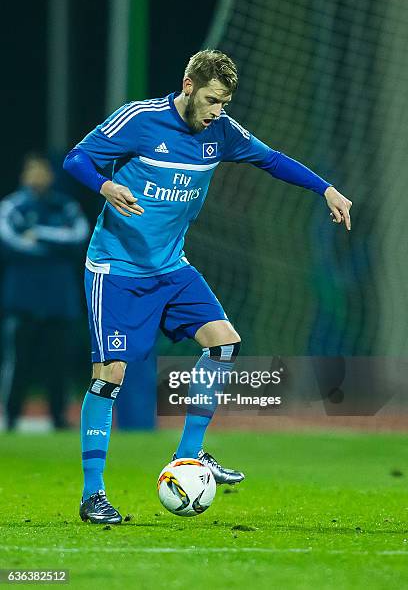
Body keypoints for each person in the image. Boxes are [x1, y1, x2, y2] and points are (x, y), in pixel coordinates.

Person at [63, 49, 352, 524]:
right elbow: (77, 160)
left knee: (223, 343)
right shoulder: (140, 119)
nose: (218, 111)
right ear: (189, 85)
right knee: (109, 375)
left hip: (171, 269)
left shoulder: (220, 133)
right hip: (116, 270)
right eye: (213, 100)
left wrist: (326, 189)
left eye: (225, 103)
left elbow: (272, 161)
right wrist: (105, 187)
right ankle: (93, 494)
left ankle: (191, 456)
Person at [0, 153, 89, 430]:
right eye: (32, 171)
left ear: (51, 175)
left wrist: (37, 233)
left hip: (59, 299)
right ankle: (11, 417)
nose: (37, 177)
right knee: (18, 363)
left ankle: (59, 417)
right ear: (24, 175)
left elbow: (78, 239)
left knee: (59, 363)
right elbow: (10, 243)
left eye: (42, 171)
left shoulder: (66, 206)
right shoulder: (11, 206)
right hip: (22, 299)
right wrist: (54, 244)